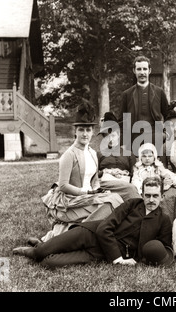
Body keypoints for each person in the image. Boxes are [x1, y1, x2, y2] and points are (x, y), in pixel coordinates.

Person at [13, 177, 174, 269]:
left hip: (99, 253)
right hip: (90, 234)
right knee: (40, 254)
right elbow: (105, 227)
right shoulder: (132, 204)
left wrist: (151, 256)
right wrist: (117, 259)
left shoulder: (164, 220)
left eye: (155, 196)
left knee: (49, 263)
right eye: (147, 195)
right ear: (142, 194)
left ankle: (43, 246)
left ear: (161, 196)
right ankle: (35, 249)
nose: (151, 200)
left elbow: (164, 246)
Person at [35, 101, 124, 244]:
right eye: (81, 130)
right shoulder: (69, 155)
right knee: (108, 205)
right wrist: (86, 193)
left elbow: (95, 181)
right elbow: (63, 186)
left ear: (93, 132)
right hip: (72, 200)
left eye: (88, 130)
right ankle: (72, 236)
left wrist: (97, 191)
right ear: (74, 131)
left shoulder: (92, 153)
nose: (85, 134)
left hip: (89, 197)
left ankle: (69, 234)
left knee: (116, 199)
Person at [119, 55, 168, 155]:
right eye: (139, 69)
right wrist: (124, 143)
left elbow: (167, 116)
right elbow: (122, 121)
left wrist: (165, 135)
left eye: (145, 69)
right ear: (134, 71)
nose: (142, 72)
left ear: (149, 70)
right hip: (134, 138)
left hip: (155, 137)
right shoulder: (127, 94)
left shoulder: (159, 92)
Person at [97, 112, 141, 202]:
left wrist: (125, 173)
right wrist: (107, 171)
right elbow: (93, 176)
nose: (110, 139)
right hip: (105, 187)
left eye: (113, 135)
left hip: (125, 187)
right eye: (107, 136)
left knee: (132, 192)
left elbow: (136, 174)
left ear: (118, 135)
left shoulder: (129, 154)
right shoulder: (99, 154)